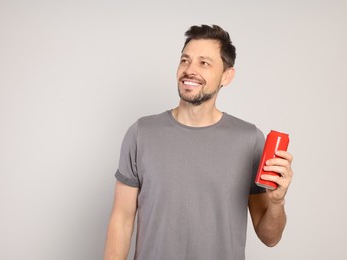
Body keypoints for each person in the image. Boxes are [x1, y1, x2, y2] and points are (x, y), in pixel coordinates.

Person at [104, 24, 293, 260]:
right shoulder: (141, 133)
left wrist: (276, 202)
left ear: (227, 75)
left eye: (204, 63)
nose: (190, 70)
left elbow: (270, 237)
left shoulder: (250, 140)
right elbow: (121, 220)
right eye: (185, 60)